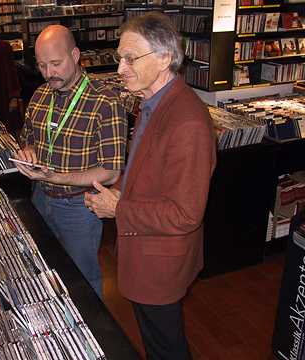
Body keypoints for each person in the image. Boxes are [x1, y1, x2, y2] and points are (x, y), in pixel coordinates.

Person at [84, 12, 216, 359]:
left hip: (160, 263)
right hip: (145, 251)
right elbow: (145, 168)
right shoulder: (152, 105)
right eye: (119, 59)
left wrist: (118, 207)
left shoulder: (186, 121)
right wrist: (117, 194)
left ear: (165, 58)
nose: (120, 69)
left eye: (130, 58)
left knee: (165, 347)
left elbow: (185, 214)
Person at [15, 25, 127, 297]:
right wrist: (28, 150)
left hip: (79, 206)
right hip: (41, 198)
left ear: (75, 55)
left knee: (84, 281)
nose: (49, 72)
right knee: (46, 269)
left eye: (56, 63)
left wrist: (55, 176)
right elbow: (27, 137)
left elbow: (111, 172)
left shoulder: (105, 101)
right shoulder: (41, 94)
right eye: (42, 65)